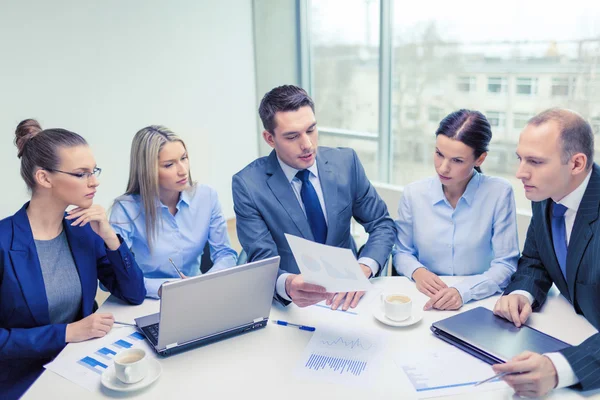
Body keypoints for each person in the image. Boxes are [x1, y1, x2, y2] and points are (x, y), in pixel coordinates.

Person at [0, 119, 146, 399]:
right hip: (24, 377)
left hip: (82, 363)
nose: (95, 181)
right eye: (82, 174)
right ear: (44, 178)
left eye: (94, 171)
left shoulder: (82, 229)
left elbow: (133, 294)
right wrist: (66, 333)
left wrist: (110, 237)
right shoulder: (3, 242)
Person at [232, 85, 395, 311]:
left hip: (350, 297)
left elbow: (382, 224)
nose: (307, 144)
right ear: (270, 138)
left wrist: (364, 267)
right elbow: (262, 261)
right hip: (292, 307)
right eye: (292, 136)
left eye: (311, 130)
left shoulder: (346, 163)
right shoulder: (248, 185)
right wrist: (287, 285)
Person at [493, 108, 600, 397]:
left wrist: (559, 369)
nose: (520, 173)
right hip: (568, 327)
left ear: (576, 163)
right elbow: (535, 259)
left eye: (536, 162)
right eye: (520, 158)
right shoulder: (545, 193)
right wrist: (522, 293)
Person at [393, 110, 519, 310]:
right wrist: (418, 272)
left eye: (457, 160)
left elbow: (506, 265)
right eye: (439, 154)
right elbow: (401, 251)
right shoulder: (413, 194)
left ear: (480, 159)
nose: (443, 168)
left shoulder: (499, 193)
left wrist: (464, 291)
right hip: (422, 298)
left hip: (479, 301)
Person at [110, 125, 237, 299]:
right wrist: (164, 288)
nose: (183, 170)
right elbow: (111, 278)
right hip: (148, 299)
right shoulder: (126, 209)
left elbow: (225, 254)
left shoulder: (206, 196)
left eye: (184, 158)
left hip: (197, 295)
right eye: (169, 164)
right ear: (147, 171)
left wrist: (206, 282)